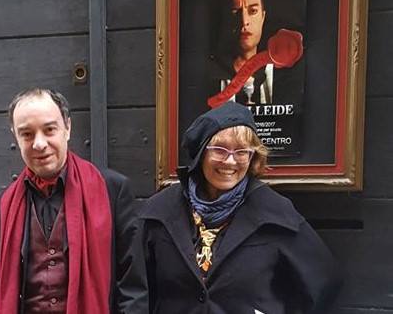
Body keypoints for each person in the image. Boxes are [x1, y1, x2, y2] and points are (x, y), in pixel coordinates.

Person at [140, 102, 341, 313]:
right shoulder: (161, 210)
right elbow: (137, 289)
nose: (230, 161)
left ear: (252, 157)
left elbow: (325, 281)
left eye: (241, 151)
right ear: (201, 154)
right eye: (219, 150)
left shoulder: (275, 212)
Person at [0, 88, 147, 314]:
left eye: (49, 129)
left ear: (67, 127)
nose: (39, 144)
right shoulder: (0, 207)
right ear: (15, 137)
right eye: (27, 134)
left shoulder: (113, 190)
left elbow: (132, 288)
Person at [211, 0, 273, 105]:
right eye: (235, 12)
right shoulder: (210, 74)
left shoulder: (275, 72)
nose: (244, 21)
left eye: (253, 11)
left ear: (263, 17)